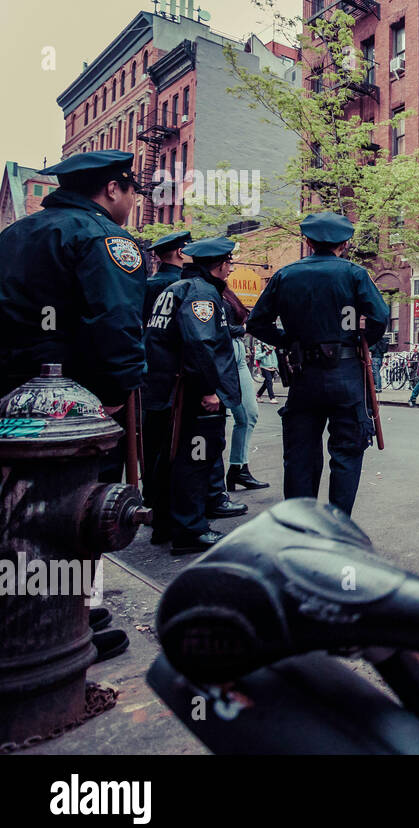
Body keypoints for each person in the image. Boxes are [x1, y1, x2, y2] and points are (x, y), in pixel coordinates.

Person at [0, 150, 148, 482]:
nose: (132, 201)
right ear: (113, 189)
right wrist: (113, 394)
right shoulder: (104, 237)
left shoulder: (13, 234)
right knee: (83, 508)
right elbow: (116, 321)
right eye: (132, 192)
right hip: (79, 400)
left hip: (11, 395)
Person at [247, 212, 388, 515]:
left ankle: (301, 528)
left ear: (307, 241)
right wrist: (361, 338)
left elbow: (257, 323)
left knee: (300, 455)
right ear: (345, 242)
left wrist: (289, 340)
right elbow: (379, 318)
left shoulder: (285, 275)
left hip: (304, 375)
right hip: (347, 376)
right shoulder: (355, 274)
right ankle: (338, 526)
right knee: (347, 454)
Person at [142, 237, 243, 554]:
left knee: (166, 460)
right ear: (218, 264)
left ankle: (165, 525)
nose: (229, 269)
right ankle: (191, 530)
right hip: (191, 397)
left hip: (165, 393)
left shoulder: (176, 290)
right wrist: (208, 390)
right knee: (194, 460)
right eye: (228, 263)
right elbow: (200, 345)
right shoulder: (200, 295)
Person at [222, 285, 268, 493]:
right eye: (226, 259)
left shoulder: (224, 290)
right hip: (226, 353)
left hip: (238, 354)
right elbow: (216, 327)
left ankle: (239, 468)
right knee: (234, 417)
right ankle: (234, 470)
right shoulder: (205, 291)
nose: (230, 264)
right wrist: (243, 329)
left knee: (249, 414)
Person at [143, 230, 192, 320]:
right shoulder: (185, 284)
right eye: (190, 250)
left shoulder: (147, 283)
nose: (193, 254)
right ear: (180, 252)